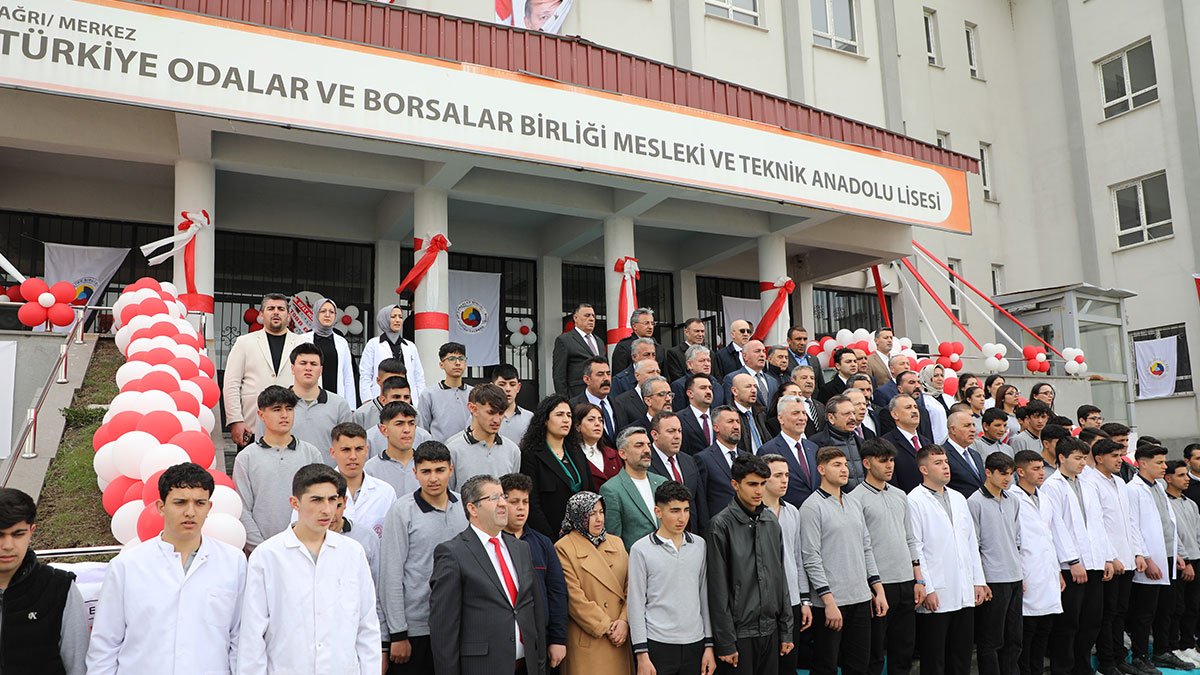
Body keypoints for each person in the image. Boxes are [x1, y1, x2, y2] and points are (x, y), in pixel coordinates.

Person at [89, 463, 245, 674]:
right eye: (180, 502)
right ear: (161, 507)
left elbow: (240, 637)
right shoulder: (127, 565)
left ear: (209, 508)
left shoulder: (233, 562)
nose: (190, 512)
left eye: (199, 503)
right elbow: (105, 643)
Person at [238, 464, 381, 673]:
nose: (327, 510)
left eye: (333, 500)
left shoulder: (352, 552)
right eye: (316, 500)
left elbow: (367, 626)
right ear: (295, 503)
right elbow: (252, 634)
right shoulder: (267, 555)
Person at [429, 474, 548, 675]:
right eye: (494, 498)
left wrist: (540, 664)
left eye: (503, 497)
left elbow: (534, 610)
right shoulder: (453, 553)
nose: (503, 504)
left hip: (526, 666)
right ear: (472, 508)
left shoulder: (521, 548)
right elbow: (443, 629)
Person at [379, 442, 469, 673]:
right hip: (416, 629)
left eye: (440, 470)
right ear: (415, 472)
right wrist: (397, 633)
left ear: (451, 469)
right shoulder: (402, 510)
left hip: (459, 624)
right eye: (426, 471)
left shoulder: (466, 508)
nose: (433, 478)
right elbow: (391, 573)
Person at [800, 446, 885, 675]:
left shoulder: (853, 502)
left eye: (846, 464)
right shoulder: (811, 507)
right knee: (825, 666)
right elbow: (811, 558)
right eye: (837, 465)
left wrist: (878, 590)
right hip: (830, 602)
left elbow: (866, 547)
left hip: (860, 598)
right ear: (821, 469)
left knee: (858, 665)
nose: (844, 469)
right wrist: (828, 602)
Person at [708, 455, 794, 675]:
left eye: (763, 484)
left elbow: (780, 578)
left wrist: (786, 631)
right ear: (735, 485)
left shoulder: (771, 521)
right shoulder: (720, 525)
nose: (759, 490)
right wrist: (726, 642)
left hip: (771, 631)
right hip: (740, 634)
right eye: (752, 484)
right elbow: (717, 588)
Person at [908, 445, 987, 675]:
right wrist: (927, 587)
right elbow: (916, 547)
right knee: (935, 659)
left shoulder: (959, 497)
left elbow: (970, 542)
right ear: (923, 469)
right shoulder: (914, 500)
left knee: (961, 656)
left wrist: (978, 581)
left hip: (963, 588)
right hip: (937, 591)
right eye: (938, 463)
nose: (945, 466)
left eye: (946, 462)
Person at [628, 481, 718, 675]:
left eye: (686, 510)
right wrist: (641, 654)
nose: (682, 518)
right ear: (658, 512)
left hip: (696, 643)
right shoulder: (640, 549)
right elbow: (635, 603)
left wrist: (709, 645)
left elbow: (704, 596)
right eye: (675, 511)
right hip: (658, 645)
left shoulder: (700, 545)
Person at [847, 438, 920, 675]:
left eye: (891, 460)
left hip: (905, 581)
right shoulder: (855, 499)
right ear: (867, 463)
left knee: (904, 649)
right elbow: (858, 547)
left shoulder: (900, 495)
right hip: (878, 584)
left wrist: (918, 579)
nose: (889, 465)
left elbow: (910, 538)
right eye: (883, 461)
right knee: (875, 653)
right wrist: (870, 587)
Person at [1044, 437, 1116, 675]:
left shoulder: (1087, 484)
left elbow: (1098, 524)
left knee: (1092, 621)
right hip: (1071, 566)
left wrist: (1106, 557)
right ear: (1062, 458)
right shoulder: (1052, 486)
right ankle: (1063, 669)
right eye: (1077, 458)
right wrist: (1073, 561)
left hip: (1094, 562)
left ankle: (1082, 667)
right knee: (1069, 623)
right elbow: (1057, 527)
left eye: (1084, 458)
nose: (1083, 463)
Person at [0, 488, 85, 674]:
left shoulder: (60, 588)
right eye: (0, 535)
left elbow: (78, 667)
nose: (7, 546)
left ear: (32, 532)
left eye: (18, 534)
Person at [234, 385, 326, 550]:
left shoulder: (311, 454)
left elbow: (320, 502)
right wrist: (261, 549)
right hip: (262, 550)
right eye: (277, 409)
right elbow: (243, 509)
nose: (284, 415)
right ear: (261, 414)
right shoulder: (246, 458)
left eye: (289, 409)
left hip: (306, 548)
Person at [1083, 437, 1146, 675]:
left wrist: (1138, 552)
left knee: (1121, 611)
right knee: (1107, 614)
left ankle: (1120, 657)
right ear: (1099, 458)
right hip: (1109, 560)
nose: (1119, 460)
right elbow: (1097, 524)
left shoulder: (1120, 483)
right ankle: (1107, 661)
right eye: (1114, 456)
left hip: (1128, 556)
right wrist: (1112, 556)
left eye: (1120, 455)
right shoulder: (1091, 483)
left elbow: (1130, 521)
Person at [555, 492, 635, 675]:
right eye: (591, 514)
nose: (599, 519)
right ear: (577, 515)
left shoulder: (617, 543)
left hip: (621, 635)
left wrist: (623, 620)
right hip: (590, 638)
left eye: (601, 512)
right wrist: (607, 626)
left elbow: (632, 587)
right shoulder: (563, 548)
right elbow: (574, 599)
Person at [1126, 444, 1186, 672]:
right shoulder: (1133, 489)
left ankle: (1162, 650)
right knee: (1145, 611)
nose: (1164, 466)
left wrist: (1176, 552)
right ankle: (1140, 655)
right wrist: (1147, 558)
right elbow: (1133, 526)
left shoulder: (1159, 487)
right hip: (1149, 559)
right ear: (1142, 464)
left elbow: (1166, 523)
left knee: (1166, 608)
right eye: (1159, 462)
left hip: (1168, 555)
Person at [501, 474, 569, 671]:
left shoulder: (542, 543)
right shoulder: (494, 544)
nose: (521, 508)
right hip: (505, 641)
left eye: (525, 501)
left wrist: (558, 639)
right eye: (514, 502)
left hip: (540, 639)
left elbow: (557, 592)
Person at [968, 452, 1024, 675]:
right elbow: (975, 544)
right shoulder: (974, 502)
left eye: (1010, 474)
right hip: (993, 578)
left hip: (1015, 576)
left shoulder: (1013, 500)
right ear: (988, 472)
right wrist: (980, 581)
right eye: (1002, 474)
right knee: (991, 640)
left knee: (1014, 638)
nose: (1007, 479)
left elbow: (1017, 537)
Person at [223, 293, 303, 447]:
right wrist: (235, 420)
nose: (276, 312)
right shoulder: (244, 342)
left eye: (281, 309)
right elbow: (231, 384)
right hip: (251, 424)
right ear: (261, 314)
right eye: (270, 308)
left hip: (293, 426)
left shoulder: (302, 343)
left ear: (288, 315)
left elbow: (313, 383)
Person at [1009, 450, 1063, 675]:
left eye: (1042, 468)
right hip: (1026, 570)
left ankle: (1038, 671)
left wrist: (1058, 571)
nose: (1042, 473)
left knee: (1045, 629)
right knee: (1027, 631)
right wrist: (1018, 573)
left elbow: (1050, 537)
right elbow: (1012, 539)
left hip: (1047, 570)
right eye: (1036, 468)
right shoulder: (1012, 498)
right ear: (1020, 472)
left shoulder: (1045, 498)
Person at [761, 454, 814, 675]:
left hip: (791, 600)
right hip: (762, 604)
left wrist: (804, 600)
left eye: (787, 475)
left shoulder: (793, 511)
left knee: (788, 665)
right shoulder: (752, 515)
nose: (784, 480)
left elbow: (798, 559)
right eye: (778, 475)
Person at [520, 395, 593, 537]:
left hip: (582, 535)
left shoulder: (576, 451)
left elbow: (591, 491)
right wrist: (551, 538)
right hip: (550, 535)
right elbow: (533, 503)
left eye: (569, 415)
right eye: (559, 415)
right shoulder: (531, 455)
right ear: (545, 420)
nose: (566, 420)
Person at [273, 343, 353, 465]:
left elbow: (347, 446)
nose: (308, 368)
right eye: (303, 363)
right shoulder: (276, 405)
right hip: (286, 476)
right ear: (292, 368)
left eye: (313, 364)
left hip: (327, 477)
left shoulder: (339, 405)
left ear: (321, 370)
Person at [600, 427, 668, 550]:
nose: (647, 450)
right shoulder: (611, 489)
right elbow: (613, 539)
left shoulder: (662, 482)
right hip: (636, 563)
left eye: (648, 445)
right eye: (639, 445)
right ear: (622, 453)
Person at [326, 422, 395, 539]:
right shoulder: (315, 492)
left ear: (367, 450)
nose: (353, 456)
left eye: (358, 449)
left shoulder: (385, 493)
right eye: (346, 450)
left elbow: (392, 539)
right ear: (333, 452)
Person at [446, 383, 520, 489]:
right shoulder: (453, 449)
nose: (497, 420)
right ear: (473, 408)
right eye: (491, 412)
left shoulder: (513, 451)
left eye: (500, 413)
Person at [1165, 460, 1200, 667]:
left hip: (1196, 559)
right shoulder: (1166, 504)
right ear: (1168, 478)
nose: (1186, 479)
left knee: (1193, 606)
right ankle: (1175, 646)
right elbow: (1172, 535)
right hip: (1180, 563)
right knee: (1176, 606)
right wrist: (1185, 560)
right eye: (1180, 475)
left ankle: (1188, 644)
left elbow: (1196, 533)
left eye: (1186, 475)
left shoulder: (1190, 503)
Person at [648, 411, 708, 533]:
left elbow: (700, 504)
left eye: (679, 431)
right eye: (671, 431)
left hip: (691, 537)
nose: (677, 436)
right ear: (655, 435)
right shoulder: (646, 463)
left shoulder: (689, 461)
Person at [757, 395, 819, 508]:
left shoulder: (813, 448)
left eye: (804, 413)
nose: (802, 418)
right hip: (785, 515)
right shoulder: (768, 450)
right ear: (780, 418)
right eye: (795, 413)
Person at [359, 304, 425, 403]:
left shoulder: (410, 346)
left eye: (400, 317)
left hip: (407, 399)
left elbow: (418, 376)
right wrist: (367, 400)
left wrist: (420, 400)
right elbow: (366, 374)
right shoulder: (373, 344)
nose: (398, 320)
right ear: (384, 319)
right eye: (393, 317)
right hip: (382, 398)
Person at [300, 297, 358, 406]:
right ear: (316, 314)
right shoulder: (302, 340)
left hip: (336, 398)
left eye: (331, 312)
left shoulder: (342, 342)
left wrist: (351, 406)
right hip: (309, 399)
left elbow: (348, 376)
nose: (327, 315)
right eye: (323, 311)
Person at [696, 406, 747, 518]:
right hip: (720, 527)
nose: (736, 426)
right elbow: (701, 501)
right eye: (730, 422)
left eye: (738, 422)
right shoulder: (704, 459)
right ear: (716, 427)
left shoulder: (748, 457)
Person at [418, 342, 474, 442]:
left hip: (468, 450)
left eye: (461, 359)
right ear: (441, 364)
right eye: (451, 359)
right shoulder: (428, 394)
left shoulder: (474, 393)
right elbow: (423, 429)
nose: (457, 363)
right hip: (438, 453)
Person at [364, 401, 422, 496]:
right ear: (384, 430)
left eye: (411, 423)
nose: (407, 430)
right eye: (399, 424)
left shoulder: (428, 466)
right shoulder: (370, 470)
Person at [810, 395, 865, 489]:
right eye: (846, 414)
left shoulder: (861, 442)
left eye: (853, 413)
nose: (852, 418)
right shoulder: (815, 444)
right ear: (831, 418)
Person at [882, 394, 933, 492]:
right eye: (908, 407)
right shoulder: (886, 443)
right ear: (895, 414)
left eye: (915, 407)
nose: (914, 411)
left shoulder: (926, 442)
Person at [553, 303, 602, 397]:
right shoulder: (564, 340)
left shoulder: (599, 341)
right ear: (575, 318)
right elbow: (559, 375)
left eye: (593, 316)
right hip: (576, 396)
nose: (591, 319)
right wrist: (565, 401)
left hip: (598, 396)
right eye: (587, 315)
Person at [573, 401, 622, 489]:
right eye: (591, 419)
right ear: (578, 426)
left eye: (601, 420)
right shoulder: (571, 455)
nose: (598, 424)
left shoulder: (613, 454)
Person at [572, 356, 618, 447]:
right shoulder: (573, 406)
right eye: (600, 374)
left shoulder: (619, 404)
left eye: (608, 374)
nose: (606, 379)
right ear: (587, 379)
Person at [670, 344, 728, 411]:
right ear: (689, 364)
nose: (707, 364)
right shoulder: (679, 385)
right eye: (702, 361)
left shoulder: (717, 385)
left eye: (708, 360)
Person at [723, 339, 780, 405]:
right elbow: (730, 406)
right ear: (745, 356)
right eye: (757, 351)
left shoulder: (773, 381)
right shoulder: (732, 378)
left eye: (764, 352)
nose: (762, 355)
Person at [943, 411, 985, 497]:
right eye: (967, 425)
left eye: (973, 425)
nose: (973, 430)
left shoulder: (975, 454)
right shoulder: (942, 454)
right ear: (953, 430)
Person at [612, 307, 665, 374]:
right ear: (634, 326)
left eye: (652, 323)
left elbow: (664, 376)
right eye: (646, 323)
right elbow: (619, 377)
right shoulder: (624, 347)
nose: (650, 327)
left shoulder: (659, 348)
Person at [678, 372, 720, 455]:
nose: (708, 391)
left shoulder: (720, 417)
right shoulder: (679, 419)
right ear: (690, 393)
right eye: (703, 388)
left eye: (710, 388)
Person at [730, 372, 770, 454]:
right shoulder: (729, 416)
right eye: (748, 387)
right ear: (735, 391)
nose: (754, 390)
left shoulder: (761, 413)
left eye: (755, 386)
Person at [492, 364, 534, 443]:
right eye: (502, 384)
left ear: (518, 387)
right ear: (492, 387)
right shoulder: (481, 416)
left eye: (512, 384)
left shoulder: (530, 418)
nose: (508, 389)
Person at [666, 317, 708, 382]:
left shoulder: (710, 353)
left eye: (702, 331)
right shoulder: (674, 353)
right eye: (697, 331)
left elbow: (716, 376)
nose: (700, 334)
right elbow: (677, 378)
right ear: (686, 332)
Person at [918, 364, 951, 444]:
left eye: (942, 375)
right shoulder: (922, 399)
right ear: (927, 377)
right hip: (935, 443)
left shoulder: (948, 398)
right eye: (936, 375)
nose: (940, 379)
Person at [786, 326, 825, 390]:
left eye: (805, 339)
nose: (802, 343)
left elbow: (821, 386)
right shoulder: (784, 359)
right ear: (789, 341)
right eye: (798, 339)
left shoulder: (814, 360)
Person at [792, 364, 826, 437]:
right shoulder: (790, 405)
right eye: (804, 378)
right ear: (793, 380)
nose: (809, 381)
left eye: (812, 378)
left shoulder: (820, 406)